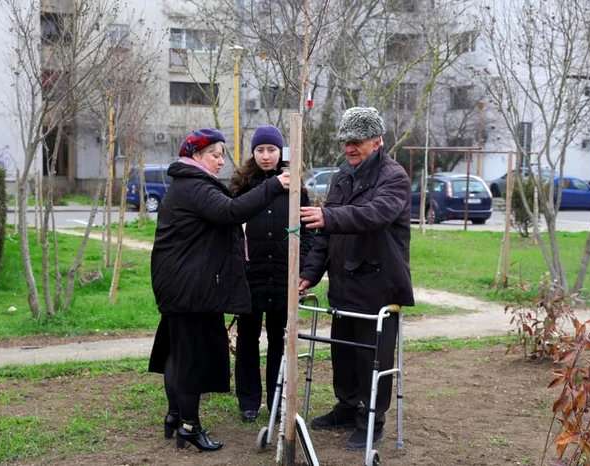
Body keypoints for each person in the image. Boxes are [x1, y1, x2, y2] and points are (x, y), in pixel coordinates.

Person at [148, 128, 290, 452]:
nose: (221, 161)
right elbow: (230, 212)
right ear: (197, 156)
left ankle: (175, 415)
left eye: (224, 154)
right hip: (188, 288)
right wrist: (273, 186)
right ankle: (189, 426)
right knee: (189, 359)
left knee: (177, 352)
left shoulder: (187, 185)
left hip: (178, 283)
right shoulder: (195, 186)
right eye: (216, 154)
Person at [298, 107, 414, 451]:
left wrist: (329, 216)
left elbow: (375, 214)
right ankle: (347, 407)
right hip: (344, 283)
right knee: (344, 354)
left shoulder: (393, 177)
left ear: (377, 142)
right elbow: (324, 233)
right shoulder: (342, 176)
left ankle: (372, 419)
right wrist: (309, 274)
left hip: (378, 284)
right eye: (346, 141)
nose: (349, 147)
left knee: (373, 358)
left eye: (357, 141)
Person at [230, 125, 314, 423]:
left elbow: (308, 233)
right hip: (250, 278)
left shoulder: (295, 187)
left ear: (281, 152)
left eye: (272, 150)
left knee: (281, 339)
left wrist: (301, 269)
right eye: (260, 150)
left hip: (283, 278)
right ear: (253, 153)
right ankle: (248, 401)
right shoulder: (241, 185)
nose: (266, 156)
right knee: (248, 339)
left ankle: (277, 399)